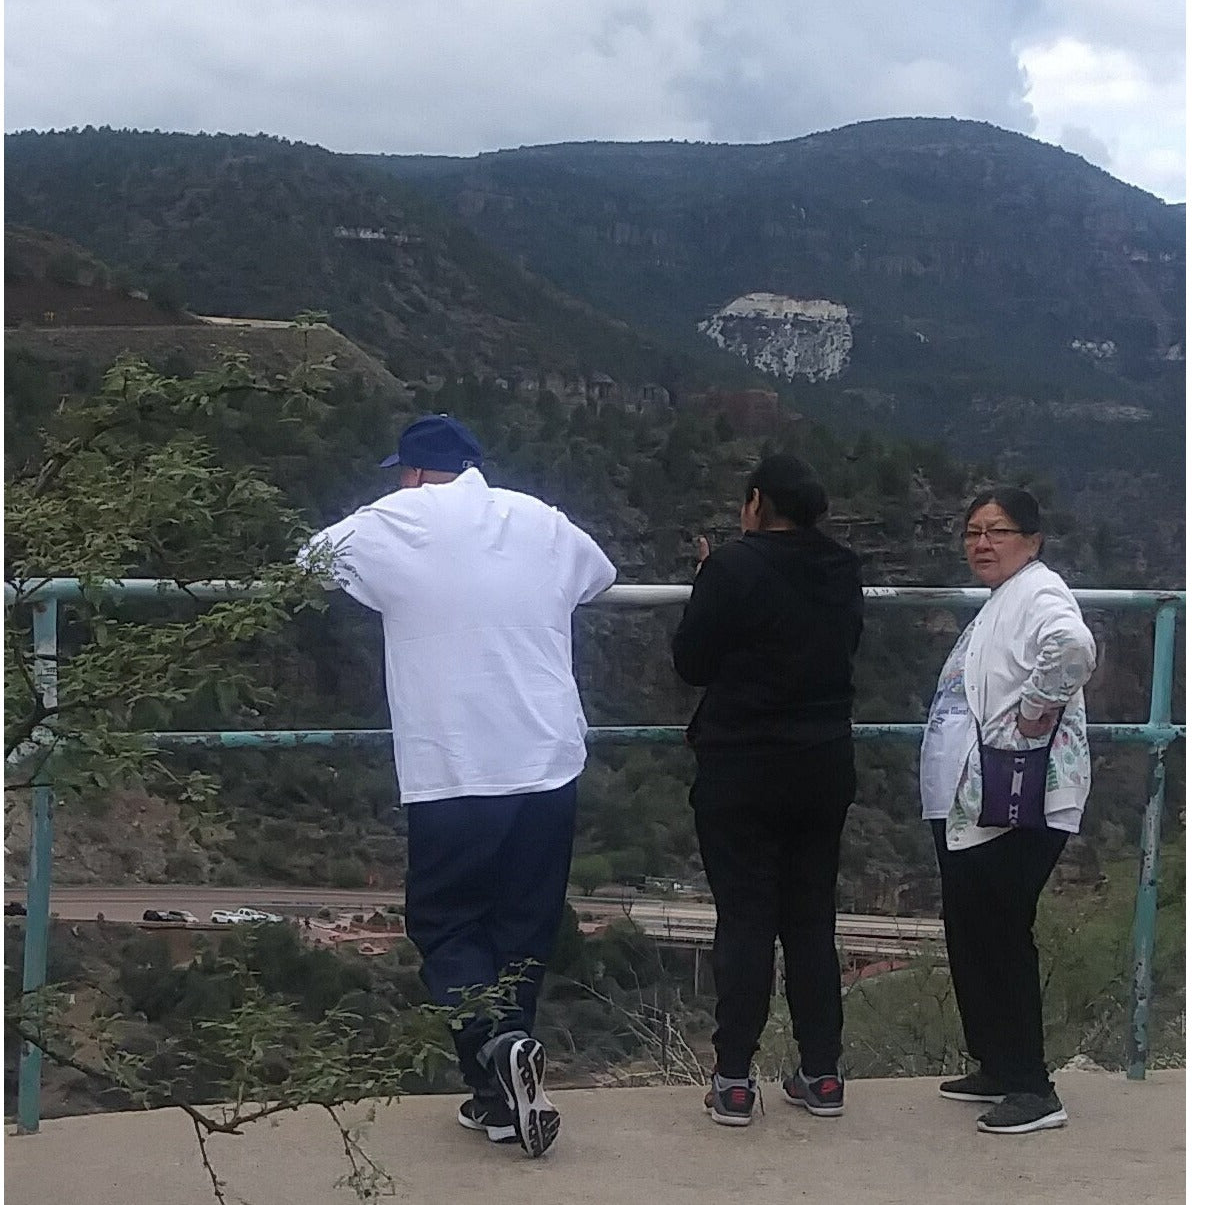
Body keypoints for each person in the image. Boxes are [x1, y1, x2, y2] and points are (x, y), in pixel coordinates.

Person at [301, 413, 616, 1158]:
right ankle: (501, 1095)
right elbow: (598, 575)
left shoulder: (392, 521)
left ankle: (494, 1044)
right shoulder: (536, 518)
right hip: (546, 756)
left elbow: (312, 562)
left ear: (411, 472)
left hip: (453, 766)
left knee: (445, 923)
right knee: (523, 926)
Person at [671, 454, 864, 1127]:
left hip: (743, 767)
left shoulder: (732, 566)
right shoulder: (844, 569)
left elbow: (690, 662)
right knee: (811, 919)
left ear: (757, 503)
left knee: (747, 920)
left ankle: (733, 1080)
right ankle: (823, 1073)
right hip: (824, 763)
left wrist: (705, 585)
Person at [920, 487, 1096, 1135]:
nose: (982, 543)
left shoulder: (1041, 593)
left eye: (997, 531)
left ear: (1033, 539)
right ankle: (996, 1062)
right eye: (973, 531)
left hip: (1018, 794)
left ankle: (1031, 1084)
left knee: (999, 930)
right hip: (978, 798)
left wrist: (1032, 713)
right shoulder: (1007, 599)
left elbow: (1073, 648)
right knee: (970, 926)